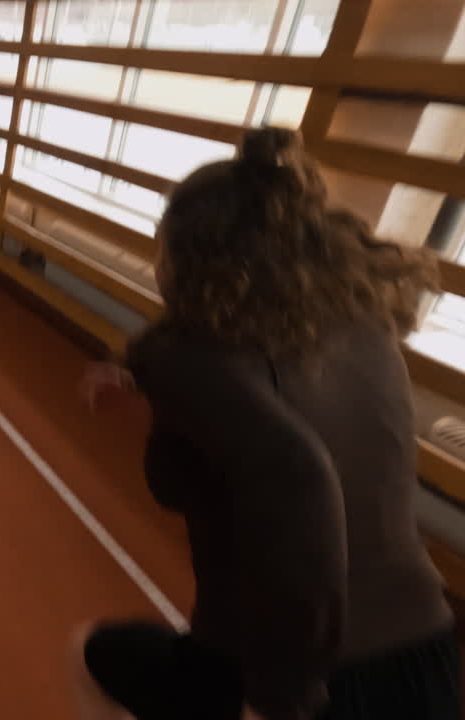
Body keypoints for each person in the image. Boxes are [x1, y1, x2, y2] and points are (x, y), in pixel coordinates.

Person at [75, 127, 458, 720]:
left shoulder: (186, 356)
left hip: (308, 678)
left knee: (93, 653)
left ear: (191, 259)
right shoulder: (363, 323)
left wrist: (285, 694)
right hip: (425, 661)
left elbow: (303, 479)